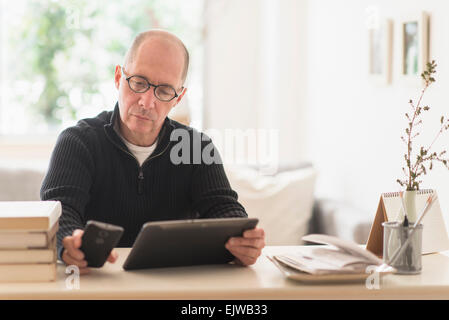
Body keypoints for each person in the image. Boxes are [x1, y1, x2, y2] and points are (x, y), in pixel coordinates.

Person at [41, 29, 265, 274]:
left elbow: (223, 208)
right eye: (139, 83)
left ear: (178, 98)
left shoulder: (196, 147)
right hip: (99, 280)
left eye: (164, 91)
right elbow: (58, 211)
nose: (147, 102)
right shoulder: (78, 142)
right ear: (118, 78)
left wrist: (244, 240)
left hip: (175, 285)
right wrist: (68, 241)